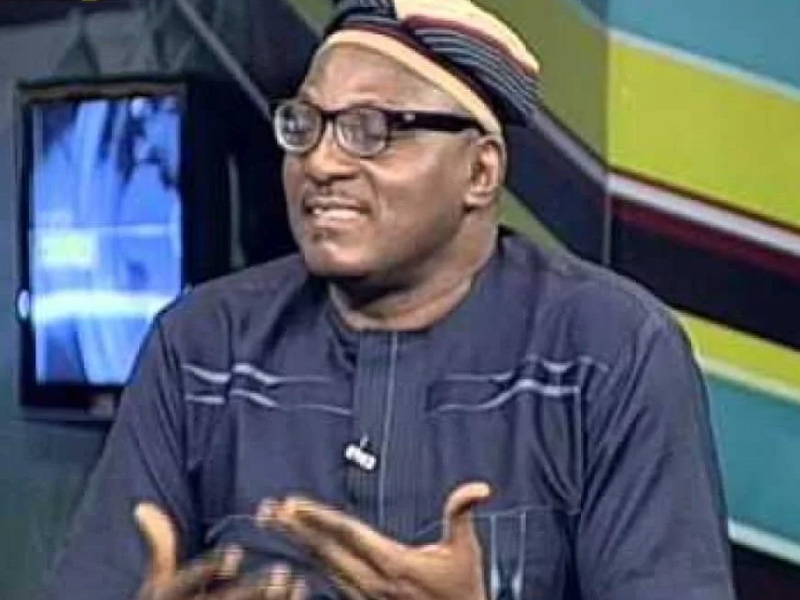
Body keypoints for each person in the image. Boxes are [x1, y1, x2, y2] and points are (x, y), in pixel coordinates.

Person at [40, 0, 737, 599]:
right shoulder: (201, 346)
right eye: (305, 124)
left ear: (480, 172)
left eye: (371, 129)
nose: (321, 162)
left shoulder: (609, 352)